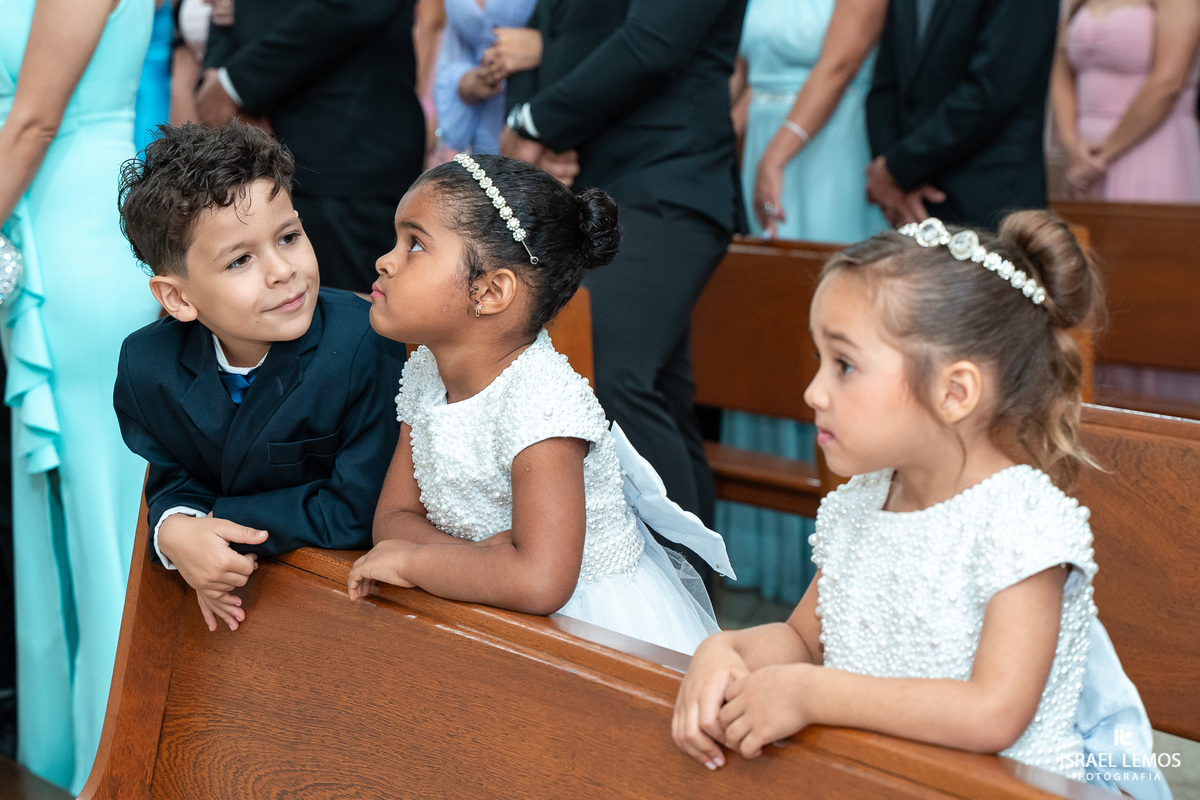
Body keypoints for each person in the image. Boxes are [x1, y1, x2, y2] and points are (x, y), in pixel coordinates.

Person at [672, 213, 1165, 797]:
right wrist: (724, 647)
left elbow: (993, 711)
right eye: (820, 361)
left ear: (954, 392)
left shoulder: (1022, 522)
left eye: (845, 366)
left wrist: (812, 693)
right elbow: (804, 642)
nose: (814, 391)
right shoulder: (862, 503)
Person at [346, 154, 732, 655]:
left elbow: (539, 580)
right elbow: (393, 519)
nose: (386, 260)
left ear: (490, 290)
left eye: (415, 244)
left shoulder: (542, 402)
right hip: (480, 604)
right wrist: (482, 560)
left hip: (586, 628)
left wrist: (417, 563)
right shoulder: (425, 370)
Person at [114, 121, 406, 633]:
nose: (281, 270)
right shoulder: (148, 365)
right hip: (230, 612)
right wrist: (173, 531)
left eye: (289, 237)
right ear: (178, 298)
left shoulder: (361, 342)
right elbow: (174, 475)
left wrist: (210, 524)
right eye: (241, 260)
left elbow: (357, 509)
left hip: (343, 606)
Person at [500, 0, 748, 527]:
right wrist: (527, 133)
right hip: (588, 183)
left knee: (611, 371)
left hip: (666, 180)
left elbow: (653, 46)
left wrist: (539, 122)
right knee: (658, 391)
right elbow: (545, 27)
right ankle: (691, 590)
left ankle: (680, 591)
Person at [0, 0, 162, 790]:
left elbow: (32, 120)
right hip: (27, 227)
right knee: (49, 518)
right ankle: (58, 763)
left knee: (104, 525)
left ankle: (118, 762)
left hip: (76, 236)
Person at [720, 0, 889, 607]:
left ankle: (825, 568)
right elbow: (741, 76)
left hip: (826, 149)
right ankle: (766, 555)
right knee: (765, 329)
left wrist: (779, 152)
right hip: (761, 145)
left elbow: (839, 64)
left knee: (827, 327)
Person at [196, 0, 425, 294]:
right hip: (262, 154)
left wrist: (235, 84)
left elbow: (353, 8)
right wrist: (217, 74)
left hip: (346, 151)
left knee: (355, 317)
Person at [865, 0, 1059, 228]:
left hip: (986, 194)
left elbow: (994, 91)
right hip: (909, 200)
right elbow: (886, 82)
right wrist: (891, 170)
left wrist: (898, 169)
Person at [1051, 0, 1200, 202]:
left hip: (1150, 143)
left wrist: (1103, 155)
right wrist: (1072, 143)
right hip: (1083, 156)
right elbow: (1060, 65)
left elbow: (1168, 83)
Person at [433, 0, 537, 156]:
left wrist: (540, 46)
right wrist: (465, 82)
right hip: (479, 122)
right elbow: (454, 48)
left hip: (532, 123)